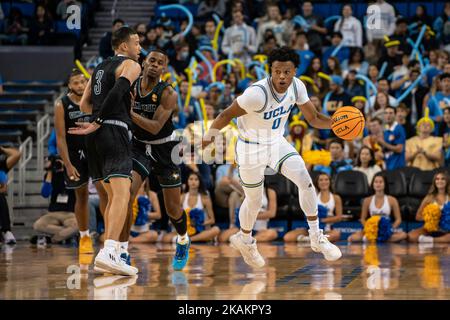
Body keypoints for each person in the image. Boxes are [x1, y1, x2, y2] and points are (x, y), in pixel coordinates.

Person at [202, 46, 342, 268]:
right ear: (271, 71)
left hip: (276, 142)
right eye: (277, 71)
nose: (282, 76)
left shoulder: (297, 87)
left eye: (287, 71)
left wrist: (337, 123)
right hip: (250, 148)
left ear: (295, 71)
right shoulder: (256, 94)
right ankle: (245, 239)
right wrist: (207, 138)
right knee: (255, 200)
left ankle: (316, 237)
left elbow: (314, 118)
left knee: (305, 181)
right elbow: (226, 114)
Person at [70, 26, 142, 276]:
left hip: (95, 139)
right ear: (123, 46)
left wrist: (93, 121)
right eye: (136, 43)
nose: (139, 49)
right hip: (113, 131)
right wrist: (100, 120)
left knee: (112, 197)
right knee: (123, 195)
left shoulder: (99, 68)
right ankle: (110, 251)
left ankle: (112, 252)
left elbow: (83, 103)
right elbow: (118, 91)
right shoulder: (132, 65)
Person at [127, 49, 191, 270]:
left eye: (160, 63)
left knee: (173, 209)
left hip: (165, 149)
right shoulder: (131, 86)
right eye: (151, 60)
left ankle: (183, 239)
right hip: (138, 147)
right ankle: (120, 249)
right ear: (144, 63)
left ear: (164, 68)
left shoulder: (168, 93)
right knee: (126, 196)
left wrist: (129, 113)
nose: (154, 65)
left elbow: (154, 128)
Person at [54, 69, 93, 254]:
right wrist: (68, 164)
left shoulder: (93, 100)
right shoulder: (61, 104)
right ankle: (84, 236)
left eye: (83, 81)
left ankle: (110, 238)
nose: (80, 85)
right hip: (75, 154)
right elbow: (60, 138)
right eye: (76, 82)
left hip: (95, 150)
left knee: (106, 193)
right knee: (82, 195)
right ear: (69, 85)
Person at [348, 173, 407, 242]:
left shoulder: (392, 200)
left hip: (385, 230)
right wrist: (368, 228)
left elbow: (398, 219)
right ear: (373, 184)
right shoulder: (367, 200)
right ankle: (378, 239)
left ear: (385, 184)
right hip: (372, 229)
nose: (378, 184)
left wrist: (390, 228)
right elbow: (362, 219)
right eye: (376, 182)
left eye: (381, 182)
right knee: (351, 238)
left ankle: (372, 239)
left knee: (404, 235)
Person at [284, 172, 342, 243]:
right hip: (311, 226)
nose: (324, 182)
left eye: (326, 179)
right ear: (317, 183)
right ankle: (315, 240)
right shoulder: (312, 196)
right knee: (288, 237)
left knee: (336, 234)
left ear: (330, 182)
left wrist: (322, 220)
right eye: (321, 180)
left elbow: (339, 217)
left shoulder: (336, 197)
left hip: (326, 228)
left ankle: (308, 240)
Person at [163, 172, 220, 243]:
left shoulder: (205, 198)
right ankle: (188, 238)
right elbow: (173, 217)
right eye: (191, 179)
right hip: (185, 230)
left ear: (199, 182)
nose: (193, 182)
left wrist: (198, 223)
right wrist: (185, 223)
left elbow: (212, 220)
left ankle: (189, 240)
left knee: (216, 230)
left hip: (200, 230)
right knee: (165, 238)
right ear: (187, 181)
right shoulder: (182, 197)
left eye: (196, 179)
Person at [32, 156, 77, 245]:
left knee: (77, 226)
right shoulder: (50, 175)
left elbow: (75, 187)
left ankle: (51, 240)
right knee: (37, 225)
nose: (58, 165)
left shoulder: (71, 174)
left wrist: (66, 169)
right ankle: (66, 236)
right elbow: (45, 193)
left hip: (70, 214)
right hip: (53, 213)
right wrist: (49, 172)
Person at [408, 170, 450, 244]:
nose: (439, 181)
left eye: (443, 179)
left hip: (447, 230)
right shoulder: (429, 197)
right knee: (410, 236)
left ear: (447, 181)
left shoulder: (449, 197)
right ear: (434, 182)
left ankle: (431, 240)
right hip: (430, 229)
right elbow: (417, 216)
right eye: (437, 179)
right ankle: (438, 240)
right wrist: (431, 218)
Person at [0, 145, 21, 244]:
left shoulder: (1, 165)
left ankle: (6, 231)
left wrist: (2, 149)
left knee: (1, 197)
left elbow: (17, 154)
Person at [380, 106, 406, 170]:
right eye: (386, 113)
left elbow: (399, 149)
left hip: (397, 167)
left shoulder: (399, 128)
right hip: (387, 166)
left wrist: (383, 143)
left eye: (391, 113)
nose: (388, 115)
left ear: (395, 114)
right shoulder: (385, 130)